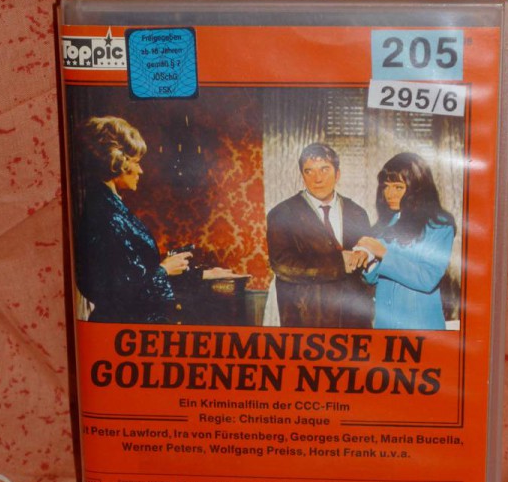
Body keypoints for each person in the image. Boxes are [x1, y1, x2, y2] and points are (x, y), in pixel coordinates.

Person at [75, 116, 230, 324]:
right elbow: (122, 295)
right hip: (125, 328)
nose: (141, 171)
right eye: (137, 162)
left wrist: (203, 275)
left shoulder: (110, 207)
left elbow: (136, 275)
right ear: (117, 163)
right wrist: (164, 269)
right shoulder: (106, 215)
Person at [266, 142, 373, 328]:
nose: (317, 179)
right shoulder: (282, 213)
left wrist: (367, 255)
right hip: (307, 320)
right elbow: (283, 265)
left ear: (337, 174)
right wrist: (339, 262)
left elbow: (368, 261)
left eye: (324, 169)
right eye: (309, 171)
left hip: (354, 321)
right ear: (302, 176)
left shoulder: (358, 212)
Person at [357, 152, 456, 330]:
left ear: (417, 188)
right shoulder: (386, 224)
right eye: (386, 187)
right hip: (385, 326)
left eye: (398, 187)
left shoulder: (440, 226)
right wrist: (366, 261)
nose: (389, 194)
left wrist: (383, 253)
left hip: (421, 328)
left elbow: (428, 279)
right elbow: (374, 280)